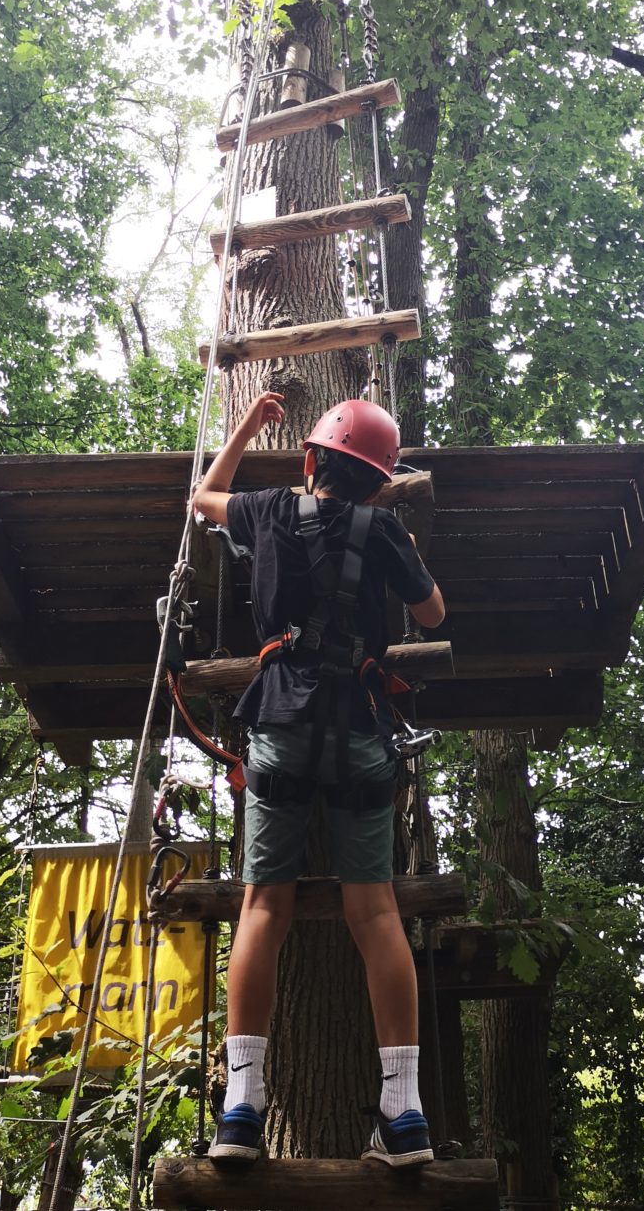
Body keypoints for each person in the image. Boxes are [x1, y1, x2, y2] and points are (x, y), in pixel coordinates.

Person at [191, 391, 446, 1168]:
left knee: (264, 905)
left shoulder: (268, 511)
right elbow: (432, 615)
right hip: (362, 728)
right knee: (375, 913)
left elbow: (202, 498)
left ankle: (241, 1109)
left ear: (312, 460)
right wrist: (394, 544)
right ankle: (403, 1116)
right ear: (377, 481)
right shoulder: (385, 527)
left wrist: (245, 426)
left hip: (281, 724)